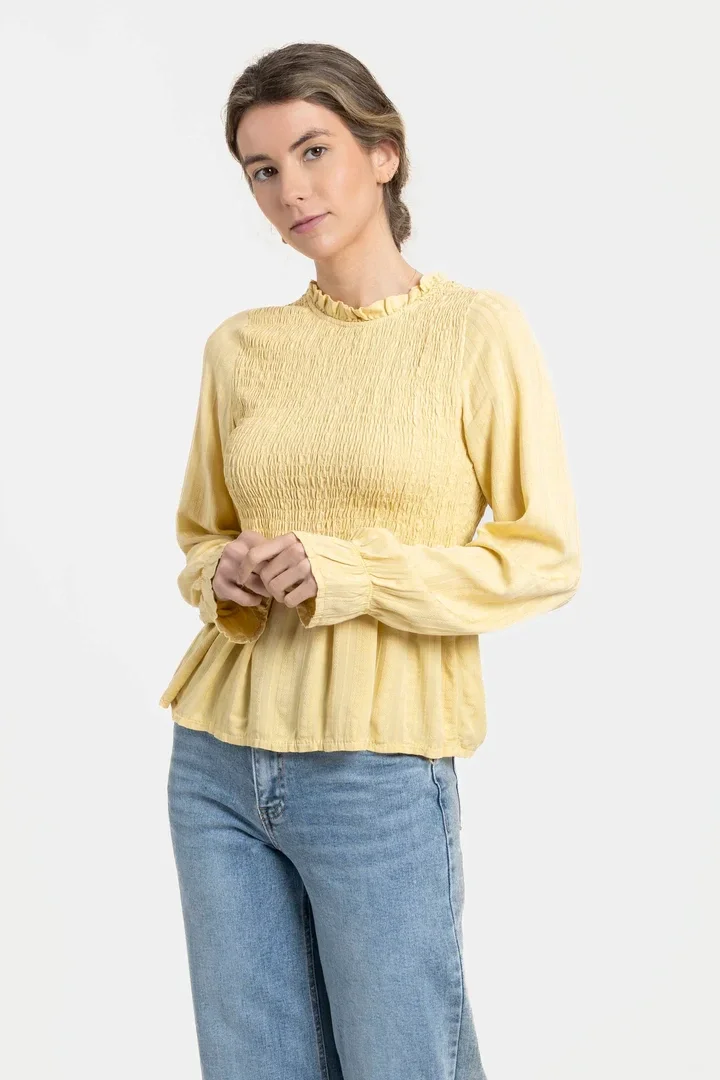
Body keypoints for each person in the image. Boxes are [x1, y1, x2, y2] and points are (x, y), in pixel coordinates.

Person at [160, 41, 581, 1080]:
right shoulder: (240, 348)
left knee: (404, 1061)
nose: (290, 190)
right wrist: (224, 577)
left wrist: (353, 575)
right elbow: (200, 534)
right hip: (216, 762)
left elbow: (543, 555)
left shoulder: (477, 333)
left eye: (314, 151)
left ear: (383, 155)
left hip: (378, 769)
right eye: (262, 169)